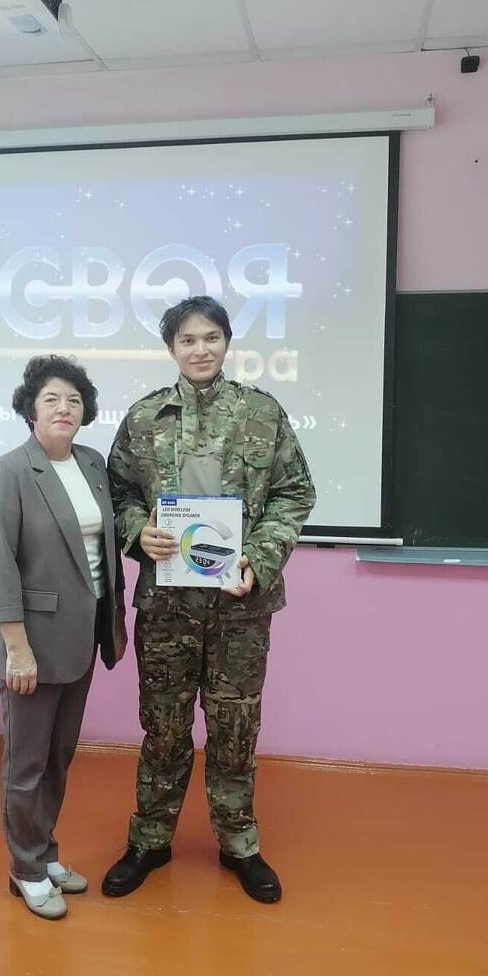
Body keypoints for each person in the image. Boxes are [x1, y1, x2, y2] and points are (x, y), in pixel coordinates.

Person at [101, 296, 315, 904]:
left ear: (227, 342)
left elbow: (295, 492)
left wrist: (261, 558)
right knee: (163, 727)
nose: (201, 349)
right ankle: (149, 839)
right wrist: (137, 531)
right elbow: (116, 492)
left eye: (212, 337)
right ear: (171, 348)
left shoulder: (262, 412)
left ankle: (239, 843)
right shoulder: (144, 418)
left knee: (235, 728)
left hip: (240, 607)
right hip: (167, 608)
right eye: (188, 340)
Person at [0, 355, 126, 921]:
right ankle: (25, 869)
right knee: (26, 766)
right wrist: (17, 649)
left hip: (82, 637)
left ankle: (44, 855)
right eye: (51, 399)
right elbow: (0, 565)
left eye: (74, 400)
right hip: (32, 645)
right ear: (30, 410)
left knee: (58, 759)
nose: (64, 408)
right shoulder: (11, 471)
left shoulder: (91, 463)